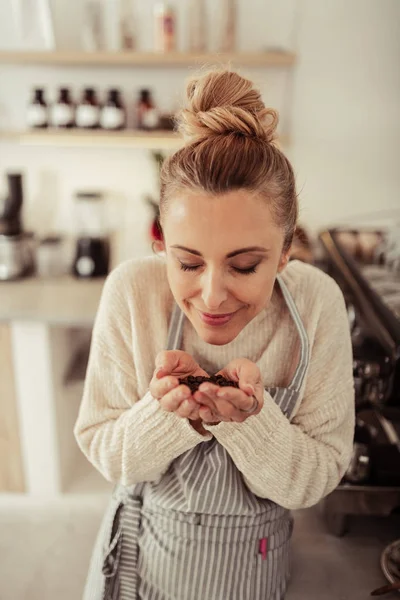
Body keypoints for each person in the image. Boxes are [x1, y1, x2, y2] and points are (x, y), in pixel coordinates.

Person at [74, 68, 355, 600]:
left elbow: (317, 479)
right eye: (187, 262)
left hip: (251, 572)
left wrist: (252, 423)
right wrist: (166, 413)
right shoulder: (132, 292)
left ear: (287, 250)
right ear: (161, 240)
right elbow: (106, 452)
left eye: (245, 266)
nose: (212, 296)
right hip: (139, 564)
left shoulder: (317, 304)